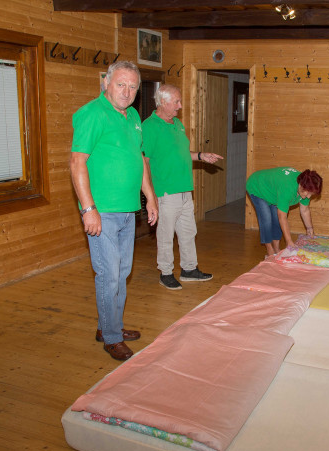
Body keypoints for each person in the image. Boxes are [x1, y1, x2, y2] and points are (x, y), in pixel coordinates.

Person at [69, 61, 158, 361]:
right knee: (109, 275)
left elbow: (139, 159)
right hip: (103, 211)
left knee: (121, 273)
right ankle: (111, 337)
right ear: (106, 83)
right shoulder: (92, 113)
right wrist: (88, 209)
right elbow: (77, 162)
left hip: (128, 209)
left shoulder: (133, 116)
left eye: (132, 87)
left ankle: (109, 326)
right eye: (121, 84)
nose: (127, 92)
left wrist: (150, 197)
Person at [142, 85, 222, 290]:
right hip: (166, 191)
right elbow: (145, 161)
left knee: (188, 232)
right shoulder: (149, 126)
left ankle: (189, 269)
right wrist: (151, 194)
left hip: (185, 189)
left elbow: (182, 153)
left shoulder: (177, 124)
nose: (180, 106)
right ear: (162, 102)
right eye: (176, 102)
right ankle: (166, 273)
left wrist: (202, 156)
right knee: (166, 235)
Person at [246, 167, 322, 257]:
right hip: (257, 186)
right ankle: (269, 249)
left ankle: (276, 248)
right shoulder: (287, 188)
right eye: (308, 193)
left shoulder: (305, 188)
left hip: (273, 191)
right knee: (266, 217)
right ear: (301, 185)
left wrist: (310, 228)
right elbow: (282, 217)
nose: (308, 197)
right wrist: (289, 241)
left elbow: (305, 210)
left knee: (276, 218)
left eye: (311, 194)